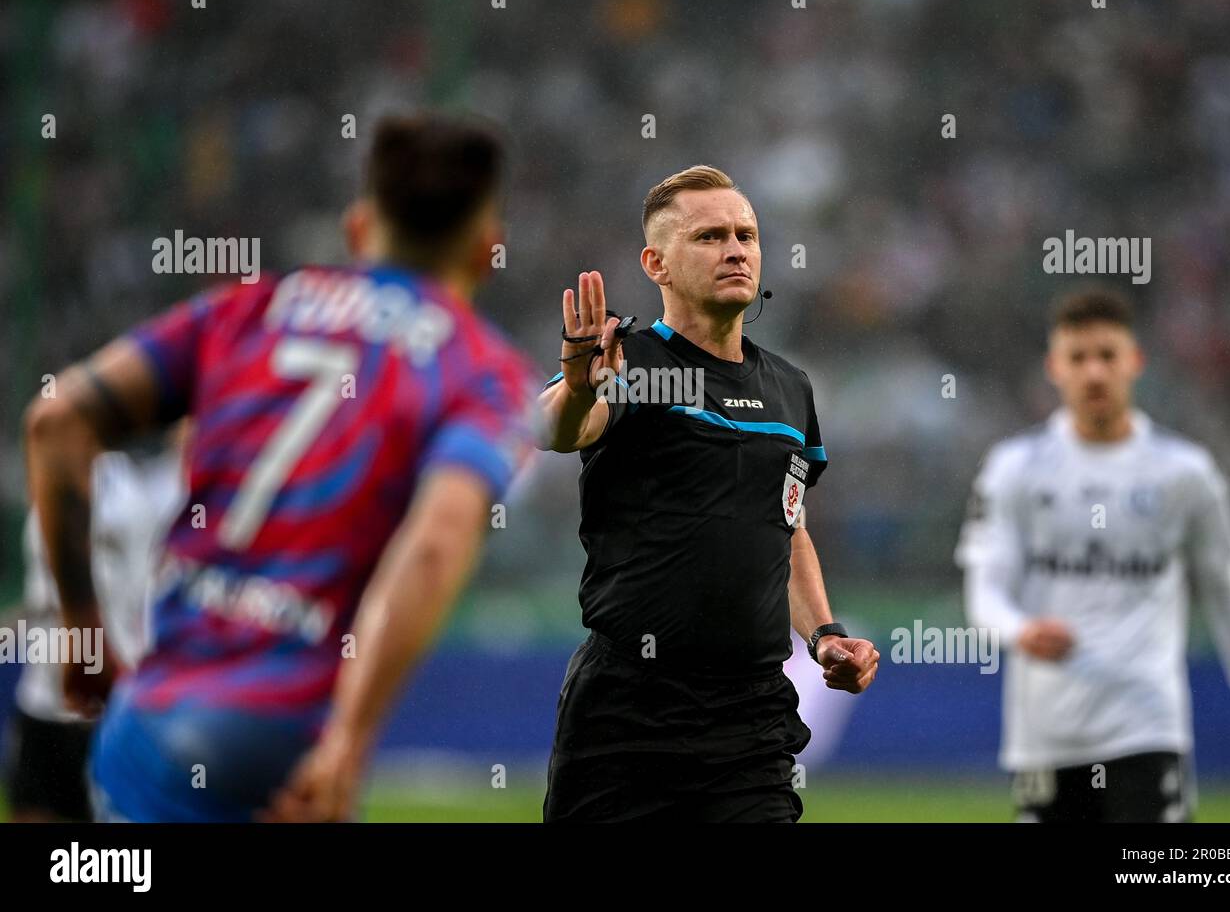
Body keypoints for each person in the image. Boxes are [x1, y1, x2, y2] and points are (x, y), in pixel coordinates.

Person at [23, 111, 537, 821]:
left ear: (359, 228)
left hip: (147, 723)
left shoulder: (250, 307)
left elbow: (56, 421)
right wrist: (350, 742)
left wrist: (83, 632)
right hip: (281, 734)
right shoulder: (483, 372)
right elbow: (437, 543)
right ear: (488, 249)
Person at [537, 165, 879, 822]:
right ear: (656, 262)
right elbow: (554, 430)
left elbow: (787, 525)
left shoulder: (789, 387)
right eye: (710, 236)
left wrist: (824, 634)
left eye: (746, 235)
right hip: (627, 714)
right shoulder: (631, 363)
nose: (735, 250)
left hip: (750, 720)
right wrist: (579, 386)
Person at [956, 288, 1230, 821]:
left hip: (1147, 727)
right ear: (1053, 367)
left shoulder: (1185, 473)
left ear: (1135, 362)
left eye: (1107, 356)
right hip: (1046, 736)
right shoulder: (1013, 468)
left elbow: (1228, 598)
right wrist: (1019, 632)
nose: (1094, 373)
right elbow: (984, 592)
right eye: (1078, 357)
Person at [5, 440, 183, 822]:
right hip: (44, 703)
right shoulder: (49, 494)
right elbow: (41, 598)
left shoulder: (130, 499)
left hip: (105, 704)